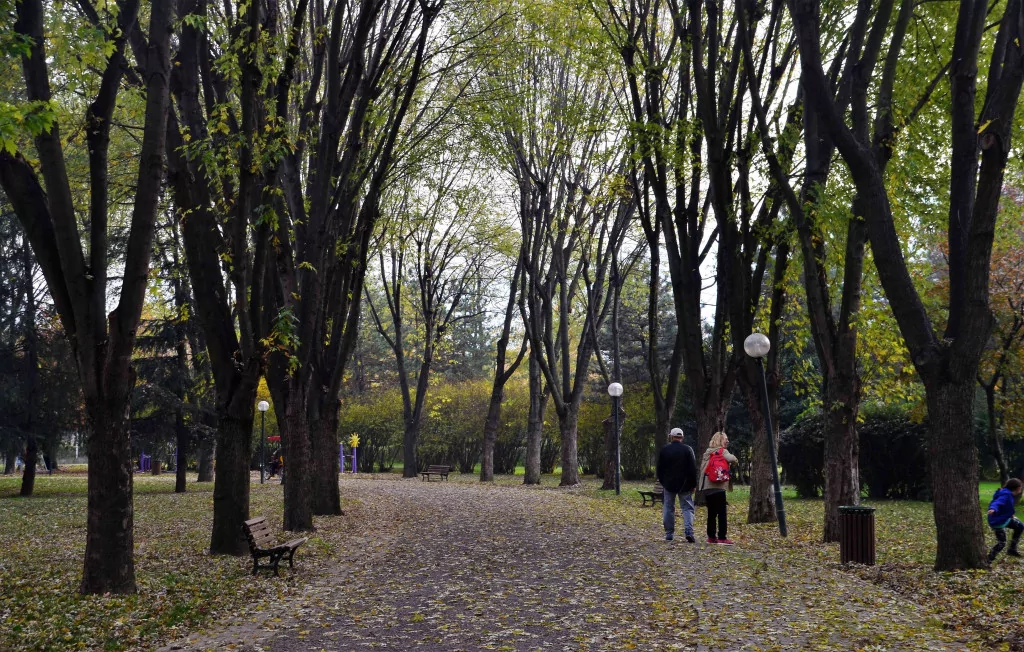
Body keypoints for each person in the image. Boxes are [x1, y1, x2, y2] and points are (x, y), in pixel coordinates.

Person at [656, 427, 698, 542]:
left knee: (668, 508)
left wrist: (663, 481)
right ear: (682, 437)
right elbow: (693, 469)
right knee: (687, 508)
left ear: (671, 437)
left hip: (669, 484)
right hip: (685, 484)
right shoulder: (688, 450)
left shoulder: (665, 450)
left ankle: (669, 534)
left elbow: (659, 468)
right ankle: (689, 532)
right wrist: (693, 484)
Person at [698, 431, 738, 545]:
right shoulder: (723, 451)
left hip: (707, 486)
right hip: (718, 486)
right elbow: (732, 459)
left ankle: (711, 537)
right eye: (726, 439)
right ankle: (722, 537)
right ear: (720, 440)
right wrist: (735, 461)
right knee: (722, 513)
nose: (728, 441)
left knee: (711, 513)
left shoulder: (707, 452)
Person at [987, 477, 1024, 562]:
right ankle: (988, 559)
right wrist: (993, 508)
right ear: (1018, 488)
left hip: (1004, 519)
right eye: (1021, 487)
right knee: (1002, 543)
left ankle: (1012, 549)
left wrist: (1011, 515)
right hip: (997, 521)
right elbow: (998, 502)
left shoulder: (1006, 492)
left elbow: (1005, 507)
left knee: (1020, 526)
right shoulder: (1006, 495)